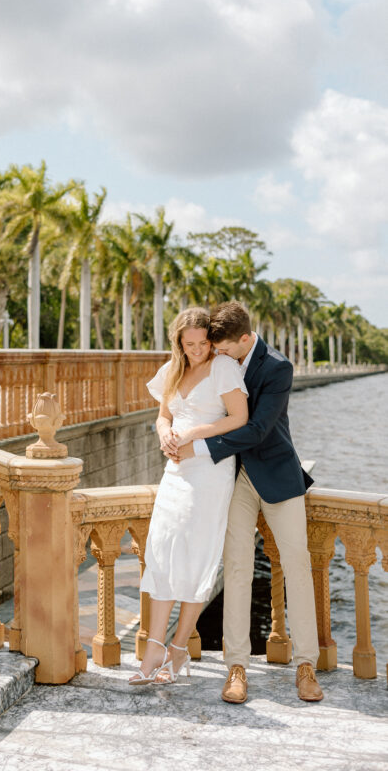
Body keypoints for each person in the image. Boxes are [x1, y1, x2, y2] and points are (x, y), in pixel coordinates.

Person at [162, 301, 323, 703]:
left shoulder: (278, 367)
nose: (217, 354)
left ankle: (306, 666)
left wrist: (196, 446)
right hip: (233, 480)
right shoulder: (221, 358)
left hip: (278, 477)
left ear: (246, 339)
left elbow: (257, 429)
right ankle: (236, 667)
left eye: (224, 348)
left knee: (298, 567)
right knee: (235, 568)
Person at [129, 306, 248, 685]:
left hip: (209, 472)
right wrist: (163, 432)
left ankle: (179, 648)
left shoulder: (223, 368)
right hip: (175, 471)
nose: (197, 350)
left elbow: (238, 418)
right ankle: (153, 650)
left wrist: (193, 433)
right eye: (189, 343)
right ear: (179, 342)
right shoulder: (173, 369)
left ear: (210, 341)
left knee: (197, 555)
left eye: (202, 343)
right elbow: (164, 415)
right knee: (162, 551)